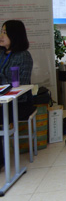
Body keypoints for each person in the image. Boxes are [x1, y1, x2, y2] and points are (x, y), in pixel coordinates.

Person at [0, 20, 34, 168]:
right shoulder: (1, 53)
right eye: (1, 31)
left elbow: (22, 85)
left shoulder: (23, 56)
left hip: (19, 103)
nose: (1, 36)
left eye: (5, 32)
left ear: (15, 35)